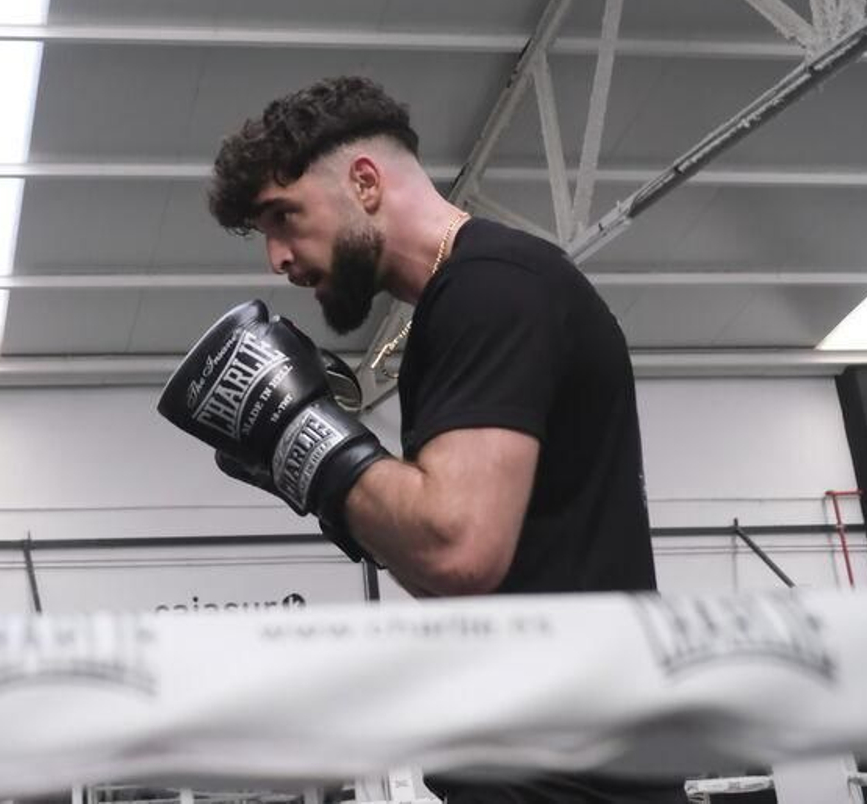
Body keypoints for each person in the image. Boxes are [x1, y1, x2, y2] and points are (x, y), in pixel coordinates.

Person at [158, 76, 679, 802]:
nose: (276, 258)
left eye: (283, 216)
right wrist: (318, 477)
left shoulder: (491, 289)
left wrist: (308, 438)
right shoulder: (453, 312)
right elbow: (442, 581)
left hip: (570, 779)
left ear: (365, 182)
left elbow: (458, 551)